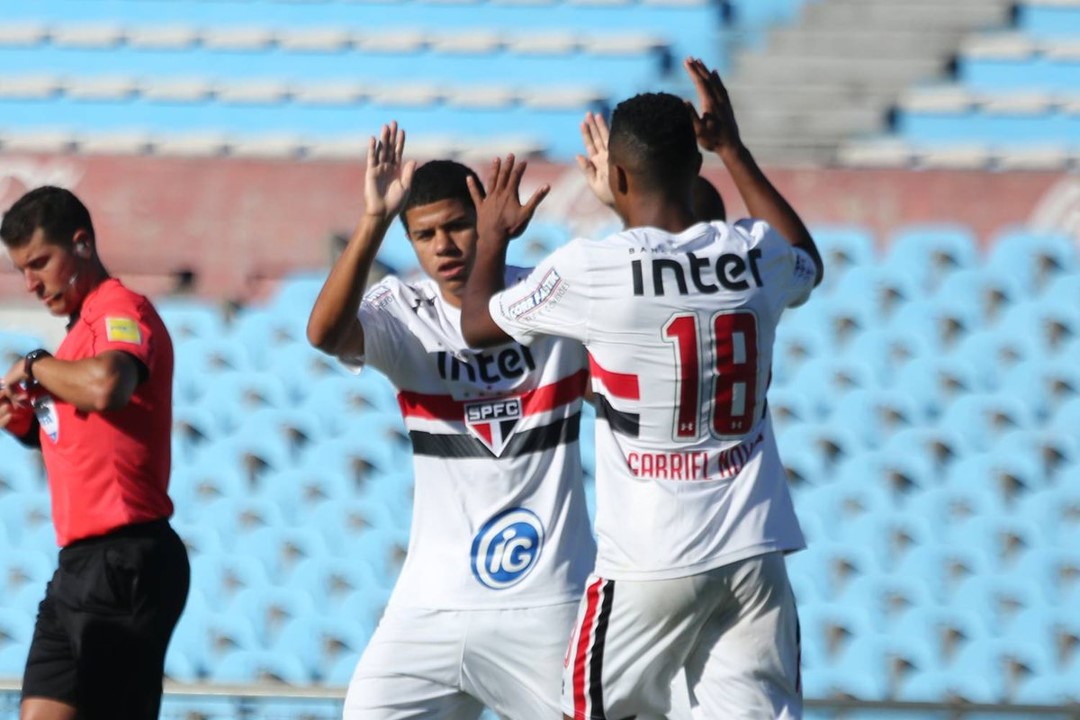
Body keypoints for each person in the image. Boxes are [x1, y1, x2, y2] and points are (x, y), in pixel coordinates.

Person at [461, 58, 824, 719]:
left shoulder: (591, 269)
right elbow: (808, 259)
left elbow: (479, 324)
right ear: (699, 169)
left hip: (650, 560)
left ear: (617, 177)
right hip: (754, 552)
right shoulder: (754, 253)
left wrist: (492, 237)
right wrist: (735, 149)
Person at [306, 123, 596, 718]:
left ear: (485, 217)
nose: (444, 246)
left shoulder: (552, 301)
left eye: (458, 225)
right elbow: (325, 335)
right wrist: (373, 222)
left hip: (544, 606)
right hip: (428, 609)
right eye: (424, 235)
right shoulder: (403, 310)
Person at [0, 187, 190, 720]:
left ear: (82, 244)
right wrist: (21, 420)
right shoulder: (76, 338)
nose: (31, 283)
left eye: (40, 262)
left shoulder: (119, 310)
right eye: (21, 270)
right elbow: (76, 434)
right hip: (78, 566)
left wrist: (35, 365)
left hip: (126, 558)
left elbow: (109, 385)